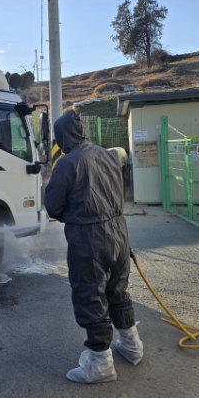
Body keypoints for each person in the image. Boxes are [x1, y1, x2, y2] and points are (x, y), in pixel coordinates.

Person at [45, 111, 143, 384]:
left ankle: (100, 364)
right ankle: (132, 346)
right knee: (117, 290)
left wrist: (73, 215)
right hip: (119, 232)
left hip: (89, 238)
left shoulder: (67, 163)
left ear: (62, 136)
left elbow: (53, 206)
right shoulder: (108, 155)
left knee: (90, 295)